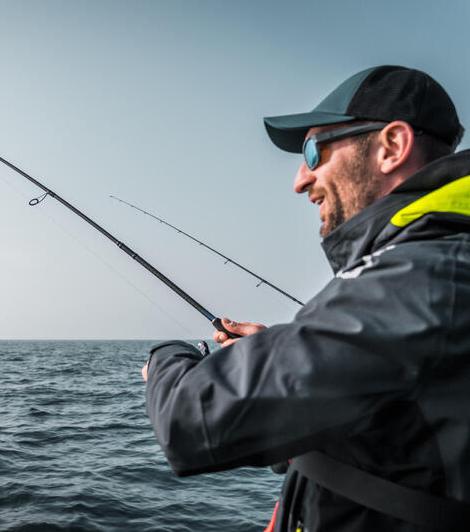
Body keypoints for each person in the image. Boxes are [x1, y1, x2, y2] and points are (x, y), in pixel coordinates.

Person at [142, 65, 470, 531]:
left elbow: (191, 421)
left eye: (314, 151)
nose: (300, 180)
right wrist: (280, 351)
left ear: (392, 147)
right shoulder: (431, 270)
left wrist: (166, 358)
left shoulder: (426, 273)